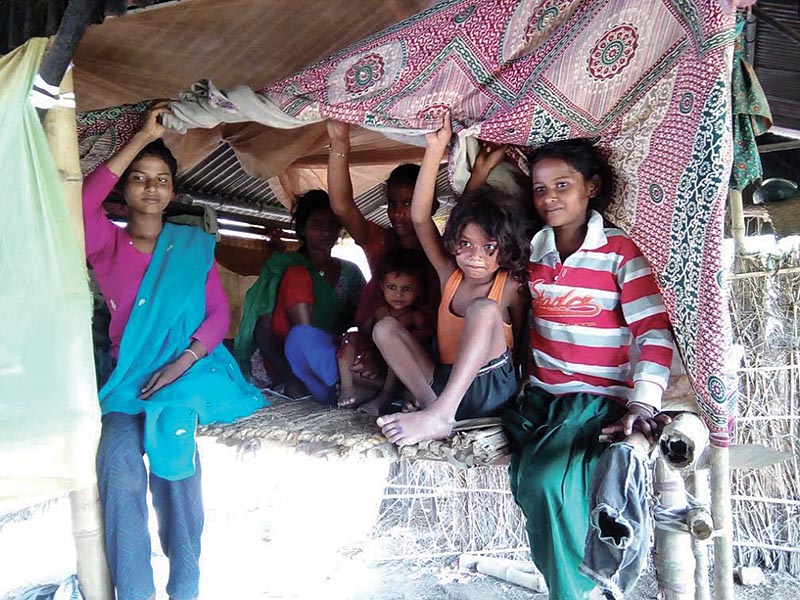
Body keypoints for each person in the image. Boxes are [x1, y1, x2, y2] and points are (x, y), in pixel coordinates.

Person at [83, 105, 265, 600]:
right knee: (118, 474)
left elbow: (217, 318)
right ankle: (135, 592)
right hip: (125, 385)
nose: (150, 187)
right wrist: (142, 135)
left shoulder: (192, 246)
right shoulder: (106, 246)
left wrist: (179, 363)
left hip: (179, 379)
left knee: (177, 474)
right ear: (125, 187)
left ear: (173, 191)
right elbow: (81, 203)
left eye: (161, 179)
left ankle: (185, 587)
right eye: (139, 177)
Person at [503, 139, 675, 600]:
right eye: (540, 189)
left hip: (596, 398)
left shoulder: (620, 250)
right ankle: (579, 584)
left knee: (545, 484)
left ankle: (577, 590)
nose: (549, 198)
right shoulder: (531, 252)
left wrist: (643, 401)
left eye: (563, 185)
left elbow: (654, 332)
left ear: (591, 187)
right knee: (531, 485)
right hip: (541, 398)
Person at [375, 116, 529, 446]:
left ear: (507, 247)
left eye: (489, 247)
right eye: (466, 245)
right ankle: (436, 413)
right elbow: (420, 218)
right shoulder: (450, 275)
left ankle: (440, 414)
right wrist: (435, 149)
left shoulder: (511, 286)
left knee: (484, 310)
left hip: (491, 390)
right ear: (454, 243)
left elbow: (527, 339)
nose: (475, 256)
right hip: (445, 387)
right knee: (384, 328)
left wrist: (528, 385)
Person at [326, 121, 441, 383]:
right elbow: (342, 207)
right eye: (393, 204)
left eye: (409, 203)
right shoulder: (380, 241)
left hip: (426, 354)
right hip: (373, 346)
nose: (399, 213)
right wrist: (340, 143)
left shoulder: (443, 249)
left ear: (431, 205)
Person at [234, 190, 365, 404]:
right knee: (298, 284)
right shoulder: (285, 267)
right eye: (317, 225)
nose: (326, 232)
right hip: (284, 359)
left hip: (331, 359)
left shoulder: (351, 273)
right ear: (302, 229)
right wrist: (290, 376)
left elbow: (362, 321)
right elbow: (265, 332)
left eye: (332, 225)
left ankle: (333, 386)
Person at [337, 250, 434, 415]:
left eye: (407, 289)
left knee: (396, 350)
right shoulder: (379, 309)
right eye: (392, 287)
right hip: (375, 360)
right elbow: (365, 333)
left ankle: (386, 395)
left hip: (401, 369)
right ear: (382, 286)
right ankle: (347, 387)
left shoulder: (416, 316)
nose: (398, 294)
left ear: (419, 290)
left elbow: (424, 341)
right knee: (350, 339)